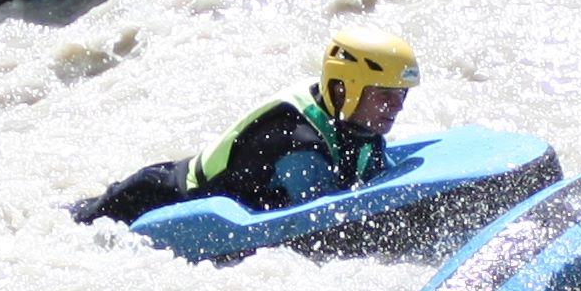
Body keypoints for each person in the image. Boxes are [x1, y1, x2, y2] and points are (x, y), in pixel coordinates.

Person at [72, 29, 417, 227]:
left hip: (168, 184)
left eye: (400, 94)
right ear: (344, 88)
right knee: (71, 226)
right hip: (148, 200)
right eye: (384, 95)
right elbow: (323, 220)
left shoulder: (353, 124)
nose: (396, 107)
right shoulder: (299, 143)